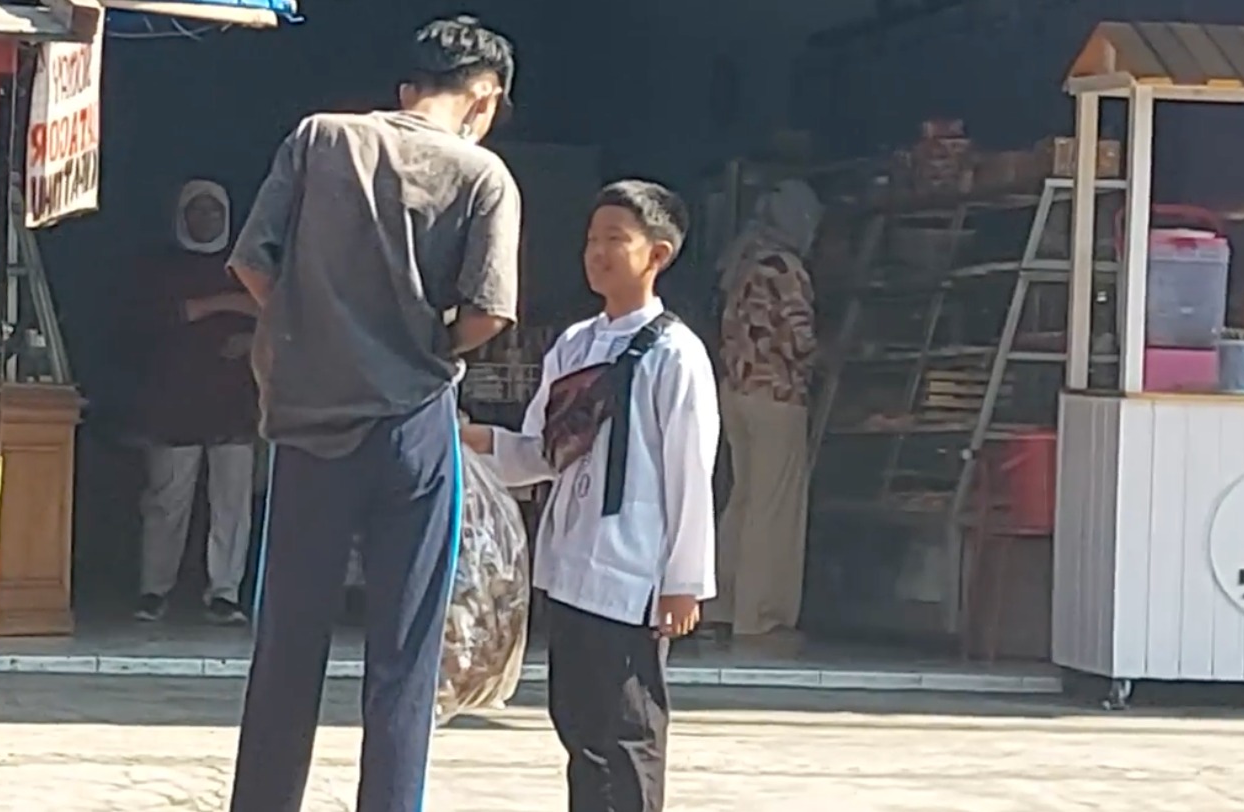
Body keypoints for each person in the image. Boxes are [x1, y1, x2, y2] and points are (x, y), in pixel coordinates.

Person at [223, 16, 520, 812]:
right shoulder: (483, 175)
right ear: (485, 96)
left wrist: (310, 328)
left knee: (287, 644)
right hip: (412, 426)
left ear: (407, 87)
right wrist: (423, 346)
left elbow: (252, 262)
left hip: (309, 418)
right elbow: (489, 313)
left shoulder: (321, 138)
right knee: (404, 653)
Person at [462, 180, 720, 812]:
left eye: (615, 239)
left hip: (632, 571)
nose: (598, 253)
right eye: (591, 239)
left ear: (657, 254)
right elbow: (539, 452)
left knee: (627, 728)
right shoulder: (575, 345)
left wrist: (684, 581)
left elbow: (690, 470)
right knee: (578, 724)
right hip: (570, 563)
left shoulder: (675, 354)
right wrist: (475, 441)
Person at [123, 179, 259, 626]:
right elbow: (163, 316)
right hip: (175, 399)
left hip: (234, 401)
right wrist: (231, 302)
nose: (206, 220)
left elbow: (275, 314)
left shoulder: (245, 263)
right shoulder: (161, 268)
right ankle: (154, 589)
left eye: (214, 211)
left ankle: (225, 593)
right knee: (167, 499)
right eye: (196, 211)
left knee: (232, 503)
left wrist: (249, 337)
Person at [708, 179, 824, 643]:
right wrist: (825, 357)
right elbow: (798, 337)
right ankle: (761, 617)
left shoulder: (742, 262)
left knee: (744, 499)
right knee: (772, 507)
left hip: (736, 390)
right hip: (776, 394)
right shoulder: (786, 268)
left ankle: (722, 605)